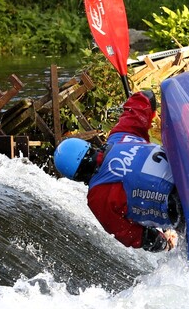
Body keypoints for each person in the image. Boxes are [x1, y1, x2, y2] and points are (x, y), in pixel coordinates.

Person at [53, 89, 182, 253]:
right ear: (89, 147)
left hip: (182, 213)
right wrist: (149, 110)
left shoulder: (98, 199)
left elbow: (136, 236)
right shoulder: (121, 134)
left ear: (75, 177)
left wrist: (165, 243)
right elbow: (147, 96)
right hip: (188, 173)